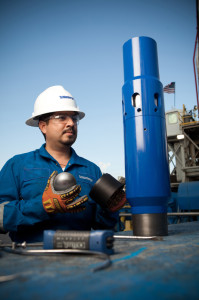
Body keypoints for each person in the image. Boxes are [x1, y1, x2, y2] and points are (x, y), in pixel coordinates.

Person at [0, 85, 119, 242]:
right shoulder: (18, 165)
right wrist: (42, 206)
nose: (71, 123)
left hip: (83, 258)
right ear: (43, 126)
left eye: (74, 118)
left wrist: (111, 209)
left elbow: (104, 227)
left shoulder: (91, 170)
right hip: (31, 259)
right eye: (62, 117)